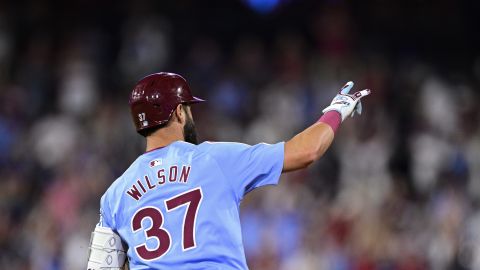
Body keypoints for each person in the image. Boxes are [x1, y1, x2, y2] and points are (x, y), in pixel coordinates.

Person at [87, 72, 370, 269]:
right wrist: (337, 110)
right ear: (178, 113)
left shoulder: (116, 194)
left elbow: (102, 267)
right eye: (188, 108)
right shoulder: (214, 159)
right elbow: (306, 152)